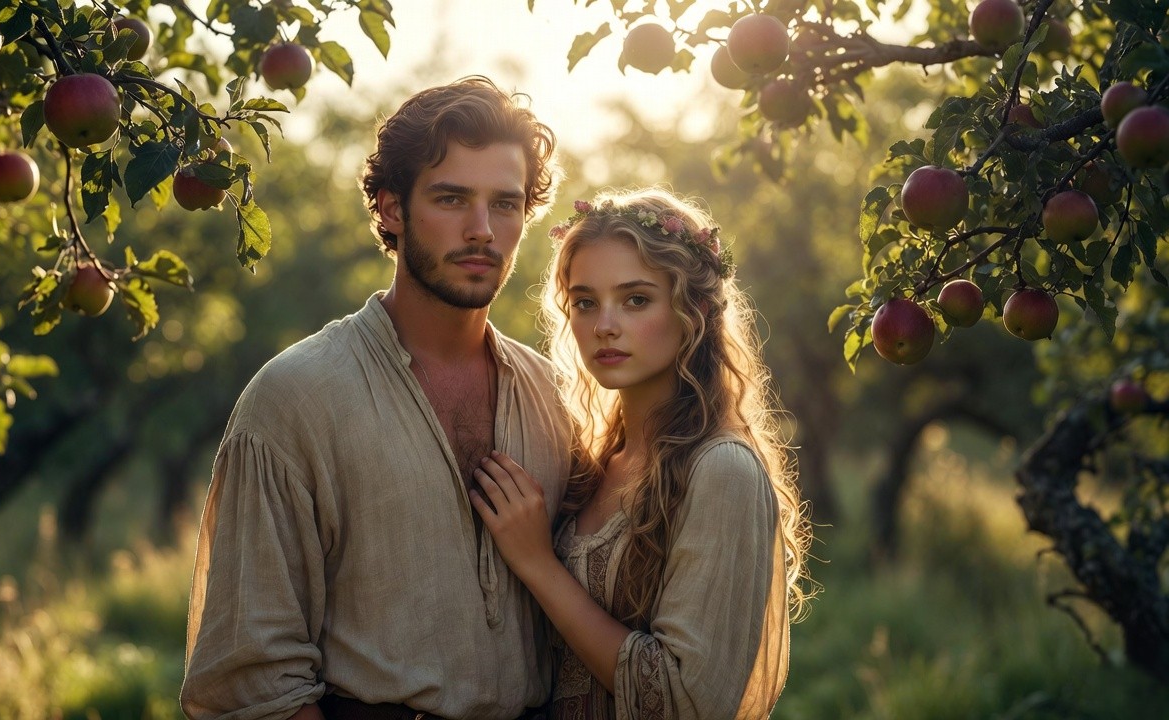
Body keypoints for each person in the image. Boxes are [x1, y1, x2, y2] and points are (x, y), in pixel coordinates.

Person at [181, 76, 573, 720]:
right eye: (452, 198)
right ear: (392, 210)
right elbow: (250, 676)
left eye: (505, 205)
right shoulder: (296, 398)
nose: (483, 231)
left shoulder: (556, 398)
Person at [470, 188, 811, 719]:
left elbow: (684, 702)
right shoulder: (591, 462)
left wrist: (539, 563)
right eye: (585, 302)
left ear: (693, 310)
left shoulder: (721, 470)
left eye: (635, 299)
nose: (604, 324)